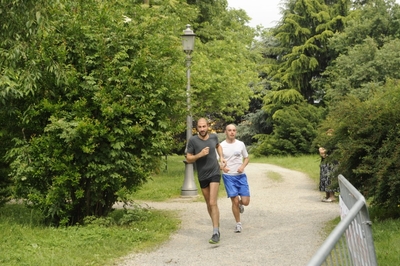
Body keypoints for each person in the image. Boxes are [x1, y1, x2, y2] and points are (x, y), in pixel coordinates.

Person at [186, 118, 225, 244]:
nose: (202, 129)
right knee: (209, 203)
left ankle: (215, 232)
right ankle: (216, 224)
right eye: (199, 127)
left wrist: (222, 158)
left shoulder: (213, 137)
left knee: (213, 202)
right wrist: (200, 155)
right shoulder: (193, 141)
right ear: (196, 127)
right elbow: (189, 158)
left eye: (204, 126)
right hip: (202, 175)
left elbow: (218, 147)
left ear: (208, 126)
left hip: (214, 172)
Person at [220, 124, 250, 233]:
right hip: (229, 177)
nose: (232, 132)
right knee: (235, 201)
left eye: (234, 130)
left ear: (235, 132)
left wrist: (242, 166)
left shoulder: (240, 144)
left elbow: (246, 158)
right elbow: (217, 161)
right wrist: (222, 168)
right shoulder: (221, 146)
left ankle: (241, 205)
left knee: (246, 201)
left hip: (241, 176)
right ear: (225, 132)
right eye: (229, 130)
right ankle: (238, 224)